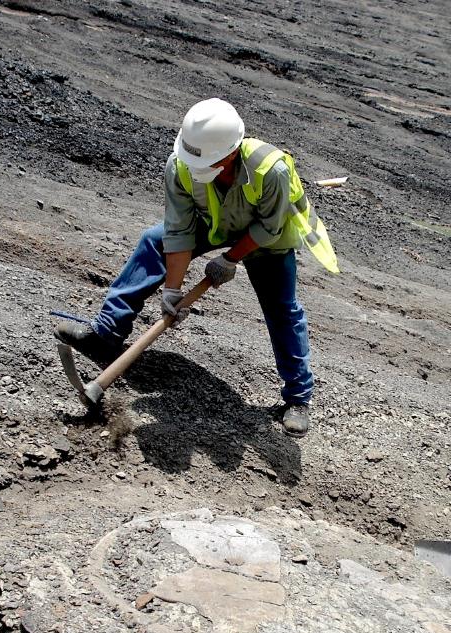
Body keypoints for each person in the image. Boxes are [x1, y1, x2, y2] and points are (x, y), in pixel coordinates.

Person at [56, 98, 337, 438]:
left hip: (266, 239)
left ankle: (298, 398)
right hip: (215, 223)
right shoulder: (180, 165)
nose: (195, 168)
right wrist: (172, 291)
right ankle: (106, 333)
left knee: (282, 309)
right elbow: (178, 232)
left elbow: (270, 227)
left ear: (232, 153)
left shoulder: (271, 169)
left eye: (207, 163)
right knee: (153, 241)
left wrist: (230, 259)